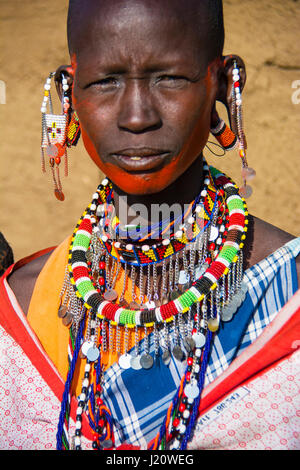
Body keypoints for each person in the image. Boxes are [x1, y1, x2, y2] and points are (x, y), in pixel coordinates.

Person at [0, 0, 299, 451]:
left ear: (223, 81)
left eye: (170, 78)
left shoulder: (288, 294)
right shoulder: (19, 308)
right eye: (105, 81)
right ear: (69, 93)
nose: (137, 116)